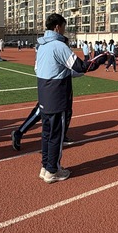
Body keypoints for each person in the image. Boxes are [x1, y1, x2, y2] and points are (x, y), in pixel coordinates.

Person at [35, 13, 103, 183]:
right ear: (57, 27)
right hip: (57, 96)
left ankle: (46, 166)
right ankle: (53, 170)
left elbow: (47, 69)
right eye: (64, 27)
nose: (65, 30)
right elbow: (80, 66)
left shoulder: (42, 46)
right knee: (56, 135)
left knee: (46, 133)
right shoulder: (59, 45)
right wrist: (101, 59)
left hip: (44, 94)